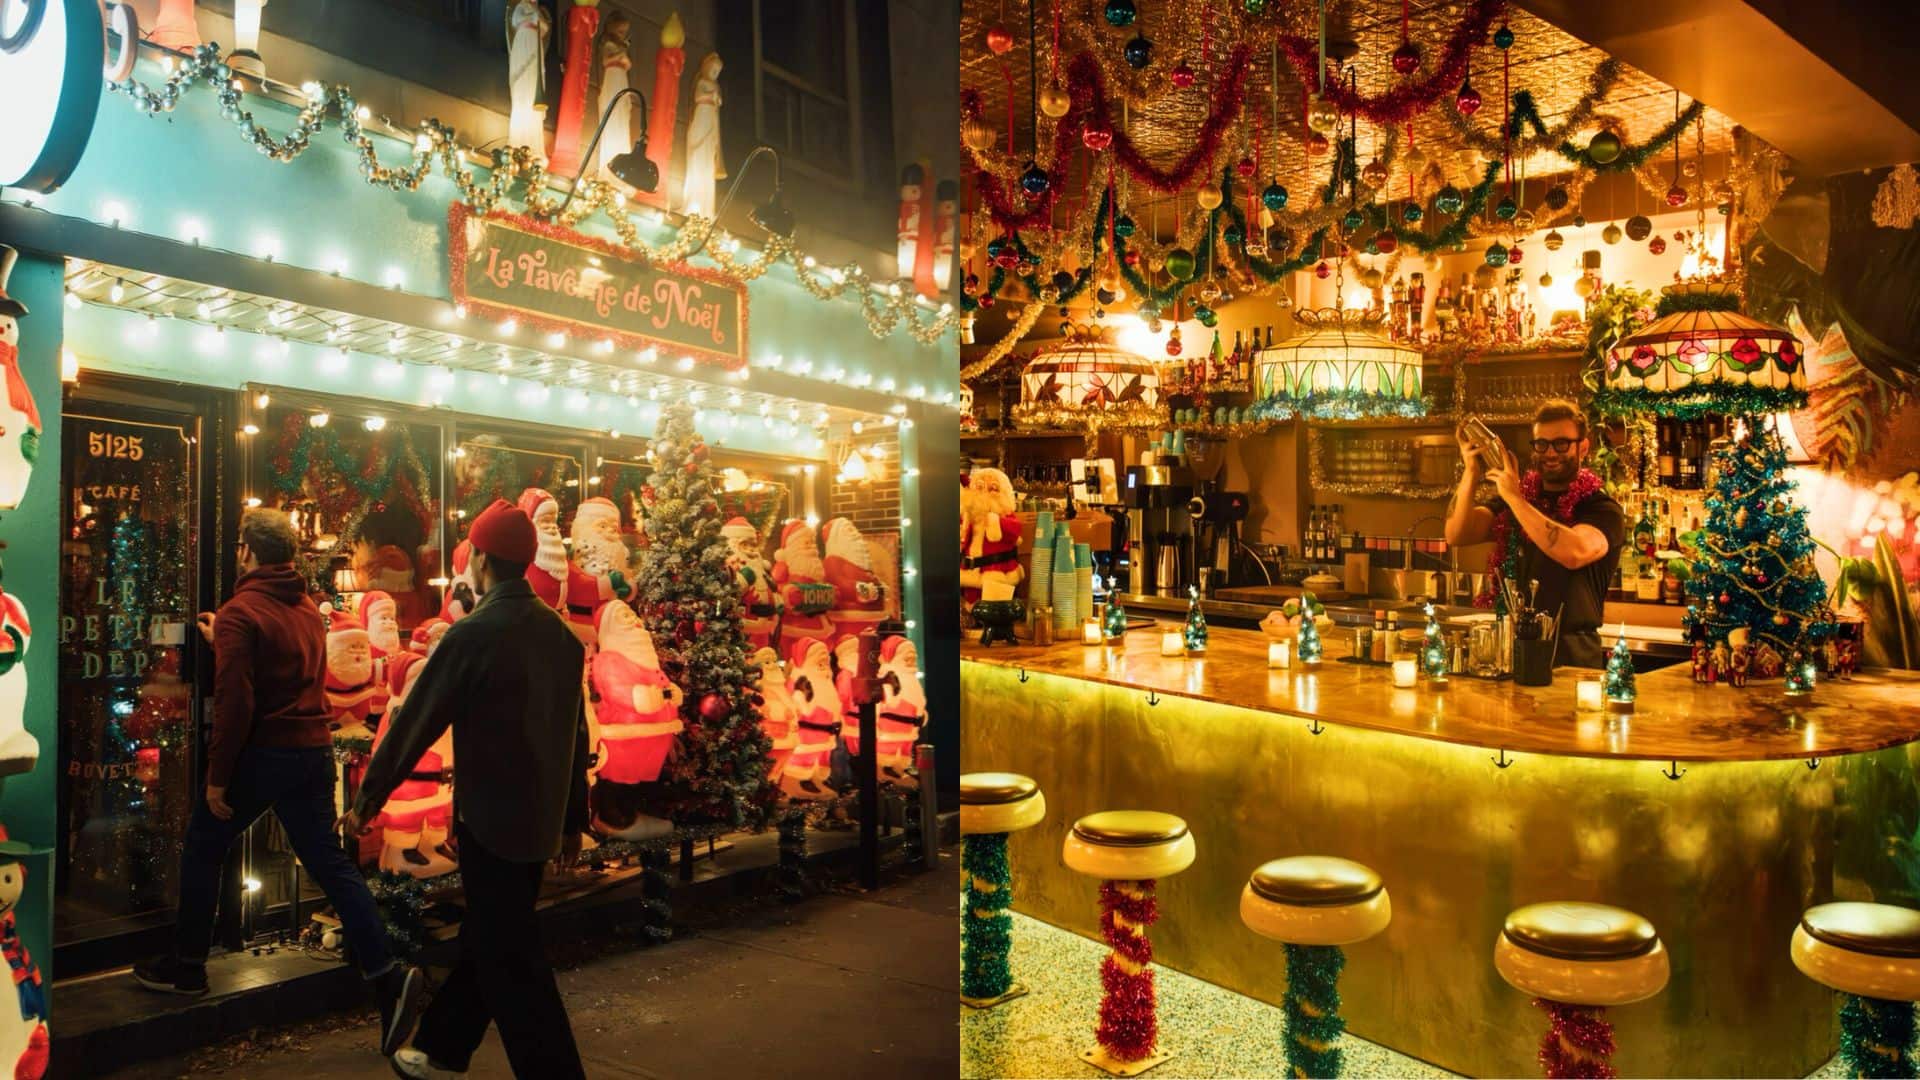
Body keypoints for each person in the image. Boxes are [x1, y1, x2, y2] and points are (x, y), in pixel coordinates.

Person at [132, 509, 423, 1059]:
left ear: (247, 551)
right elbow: (281, 662)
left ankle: (187, 967)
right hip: (312, 753)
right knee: (332, 866)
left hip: (264, 756)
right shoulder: (306, 608)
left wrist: (218, 777)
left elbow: (236, 703)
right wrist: (226, 640)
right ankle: (386, 974)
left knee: (204, 845)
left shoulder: (242, 612)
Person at [343, 499, 589, 1079]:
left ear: (480, 558)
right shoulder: (562, 637)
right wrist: (572, 818)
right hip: (539, 820)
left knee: (514, 960)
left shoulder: (474, 634)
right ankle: (441, 1049)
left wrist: (367, 800)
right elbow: (575, 736)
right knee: (494, 934)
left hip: (491, 820)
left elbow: (415, 721)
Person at [1444, 399, 1624, 668]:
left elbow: (1575, 552)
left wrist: (1515, 499)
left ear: (1583, 447)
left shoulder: (1601, 508)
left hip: (1570, 655)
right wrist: (1471, 471)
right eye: (1541, 444)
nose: (1550, 453)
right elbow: (1457, 534)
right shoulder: (1518, 498)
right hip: (1512, 649)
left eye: (1561, 443)